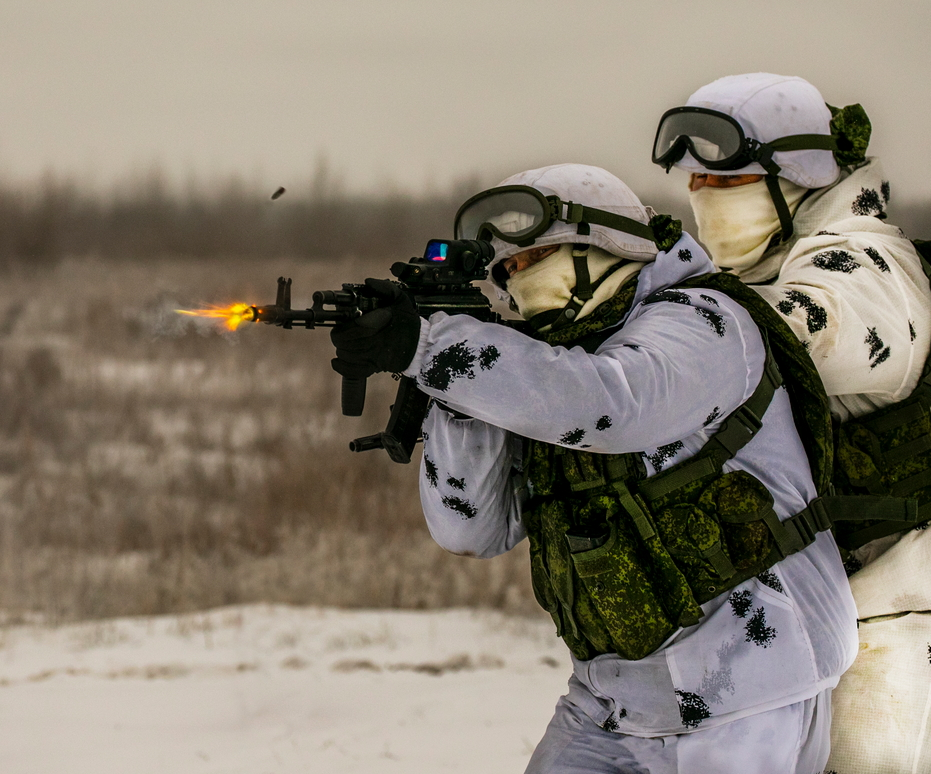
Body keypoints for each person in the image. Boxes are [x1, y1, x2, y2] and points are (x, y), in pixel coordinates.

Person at [330, 163, 858, 773]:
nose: (519, 280)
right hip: (613, 700)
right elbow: (469, 529)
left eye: (535, 257)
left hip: (754, 684)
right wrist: (455, 390)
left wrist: (434, 348)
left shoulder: (704, 321)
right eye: (507, 271)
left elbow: (613, 404)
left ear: (607, 242)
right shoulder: (545, 366)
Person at [651, 73, 931, 773]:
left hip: (918, 579)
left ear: (793, 178)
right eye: (695, 185)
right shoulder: (761, 271)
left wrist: (645, 342)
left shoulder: (863, 262)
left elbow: (801, 338)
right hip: (830, 590)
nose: (702, 202)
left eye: (724, 183)